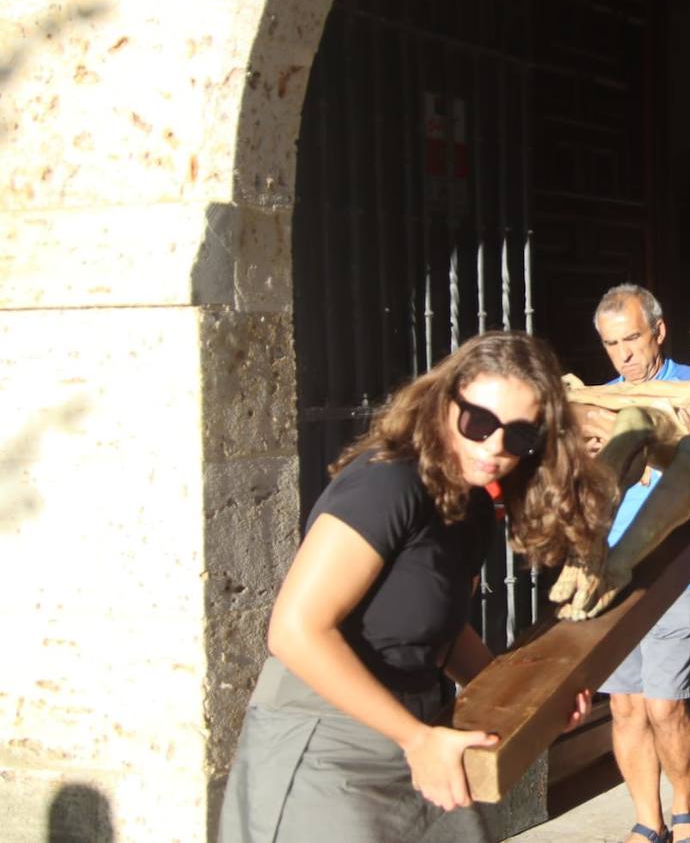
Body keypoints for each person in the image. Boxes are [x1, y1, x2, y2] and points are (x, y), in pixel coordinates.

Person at [219, 331, 611, 843]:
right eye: (479, 423)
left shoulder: (471, 503)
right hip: (326, 738)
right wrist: (416, 739)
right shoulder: (388, 483)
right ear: (446, 402)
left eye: (518, 436)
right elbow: (294, 631)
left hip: (417, 727)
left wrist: (527, 705)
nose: (494, 447)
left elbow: (443, 635)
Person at [593, 283, 690, 843]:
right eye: (612, 343)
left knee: (666, 706)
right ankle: (649, 822)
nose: (624, 354)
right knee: (625, 707)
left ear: (658, 332)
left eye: (633, 338)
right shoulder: (601, 401)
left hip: (677, 568)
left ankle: (687, 812)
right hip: (613, 572)